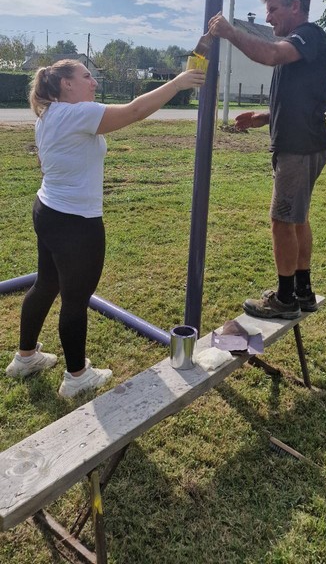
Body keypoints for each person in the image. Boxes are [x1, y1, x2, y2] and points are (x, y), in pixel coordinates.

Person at [6, 60, 205, 397]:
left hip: (48, 210)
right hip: (75, 222)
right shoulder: (77, 113)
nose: (94, 82)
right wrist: (178, 83)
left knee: (46, 283)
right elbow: (135, 110)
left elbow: (45, 160)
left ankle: (25, 358)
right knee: (74, 299)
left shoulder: (49, 116)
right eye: (87, 76)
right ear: (66, 84)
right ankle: (77, 376)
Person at [208, 0, 326, 320]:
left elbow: (271, 54)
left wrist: (232, 33)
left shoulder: (306, 36)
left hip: (299, 147)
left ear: (295, 7)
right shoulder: (300, 44)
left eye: (273, 9)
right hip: (304, 142)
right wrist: (264, 117)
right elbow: (301, 97)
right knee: (296, 218)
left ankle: (285, 299)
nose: (267, 18)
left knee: (281, 220)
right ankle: (302, 291)